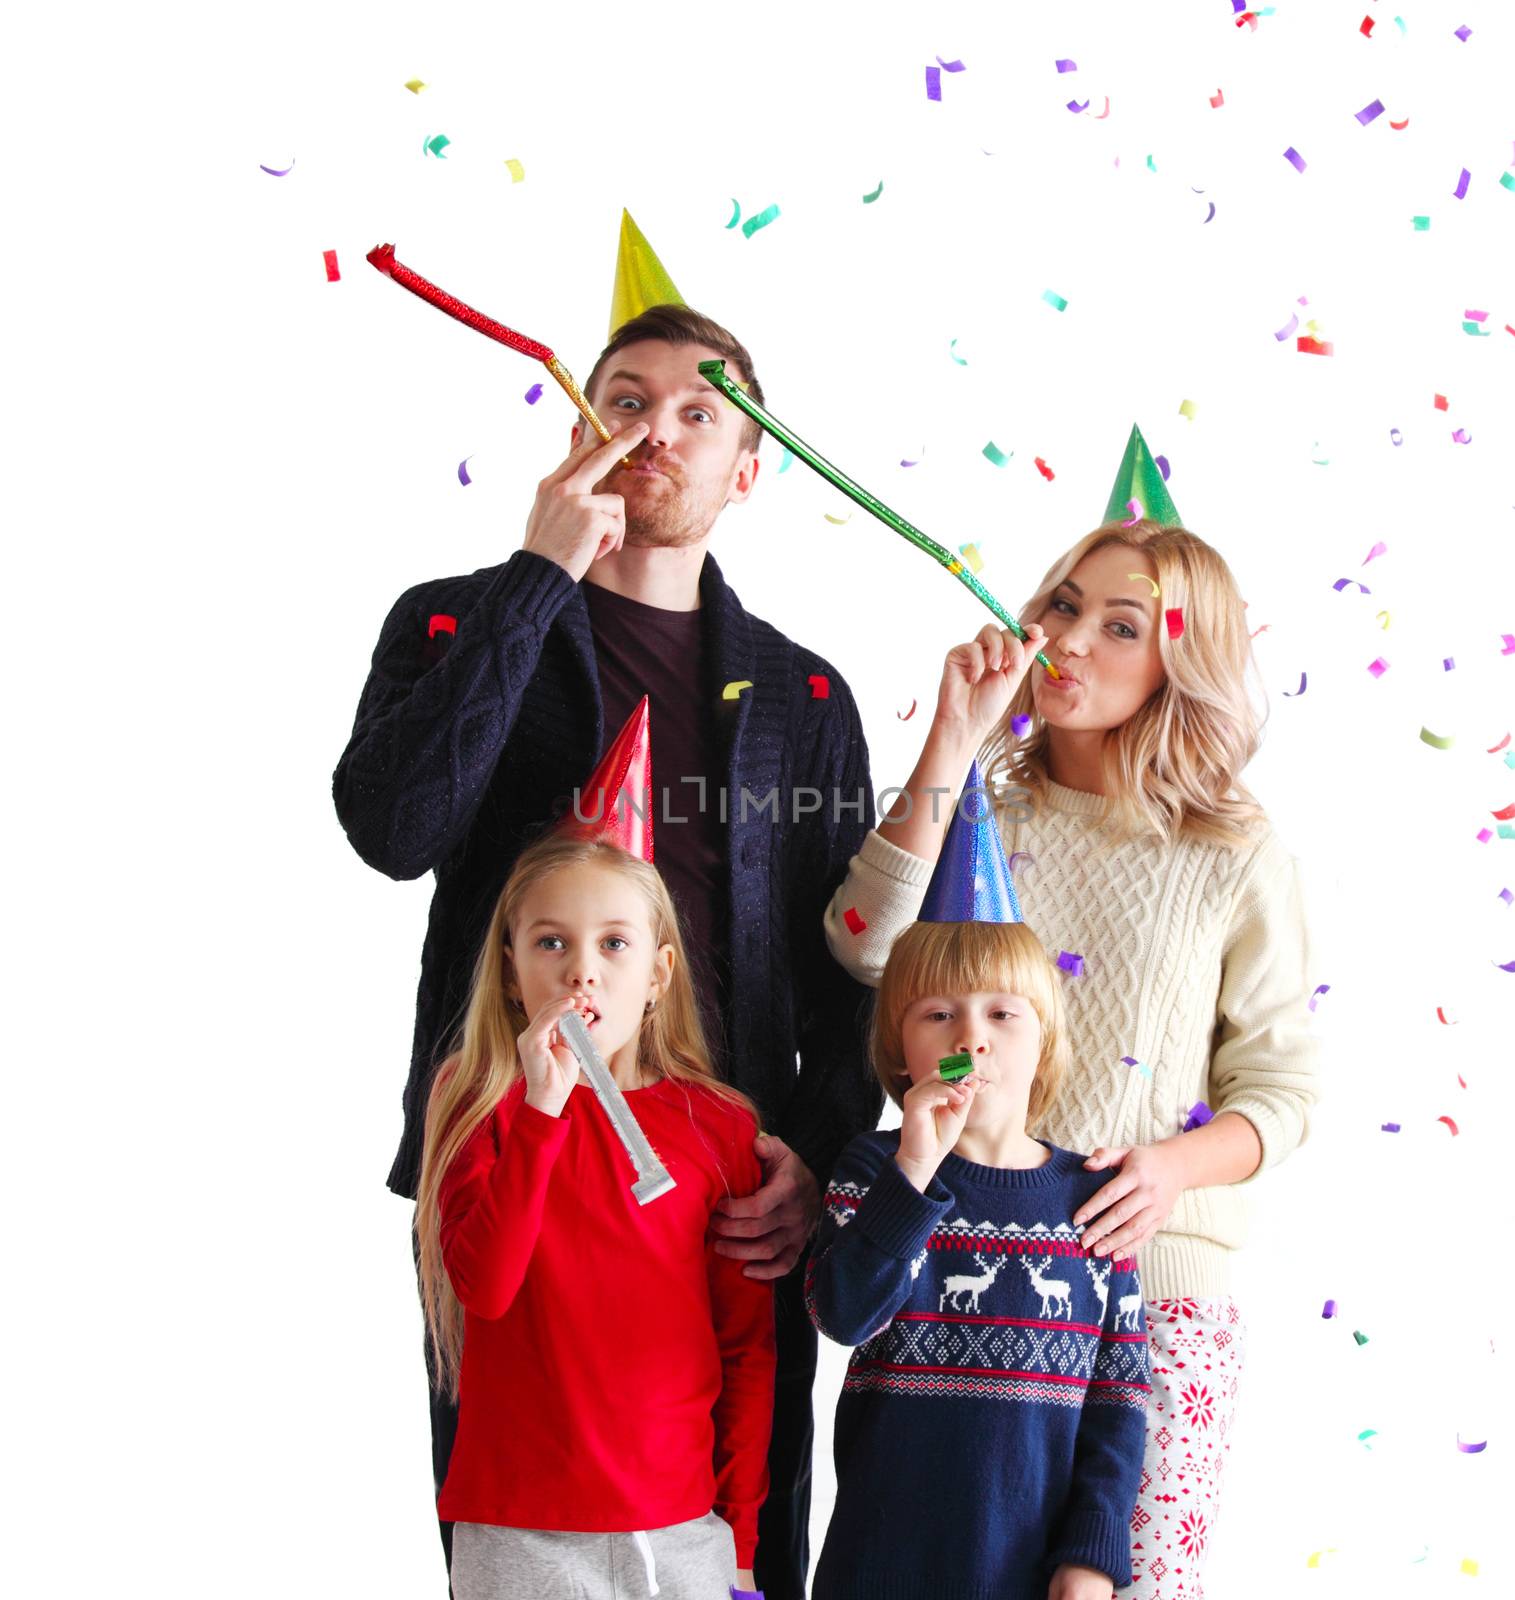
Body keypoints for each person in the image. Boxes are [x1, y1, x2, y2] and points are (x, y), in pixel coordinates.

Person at [333, 216, 880, 1599]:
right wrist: (537, 577)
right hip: (505, 1176)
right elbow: (392, 830)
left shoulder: (806, 699)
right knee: (515, 1540)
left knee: (741, 1537)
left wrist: (810, 1160)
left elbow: (849, 977)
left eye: (704, 413)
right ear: (578, 428)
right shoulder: (456, 620)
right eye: (626, 399)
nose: (660, 429)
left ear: (748, 470)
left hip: (722, 1187)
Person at [823, 468, 1320, 1597]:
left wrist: (1169, 1166)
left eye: (1119, 625)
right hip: (957, 1271)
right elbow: (862, 944)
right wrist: (951, 741)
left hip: (1161, 1285)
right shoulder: (983, 814)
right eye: (1060, 605)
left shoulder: (1233, 854)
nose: (1069, 639)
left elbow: (1284, 1088)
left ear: (1177, 664)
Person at [807, 787, 1149, 1599]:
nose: (972, 1037)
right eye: (938, 1015)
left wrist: (1092, 1556)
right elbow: (841, 1314)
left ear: (1045, 1040)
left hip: (1032, 1574)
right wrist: (914, 1173)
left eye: (1003, 1012)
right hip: (879, 1564)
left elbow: (1119, 1398)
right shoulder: (874, 1171)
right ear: (899, 1047)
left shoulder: (1091, 1198)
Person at [417, 826, 775, 1598]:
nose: (582, 972)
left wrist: (741, 1541)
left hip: (680, 1528)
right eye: (551, 943)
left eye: (615, 944)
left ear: (658, 973)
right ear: (511, 972)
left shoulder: (718, 1125)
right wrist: (544, 1108)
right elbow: (486, 1285)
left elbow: (746, 1347)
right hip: (520, 1530)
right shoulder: (476, 1099)